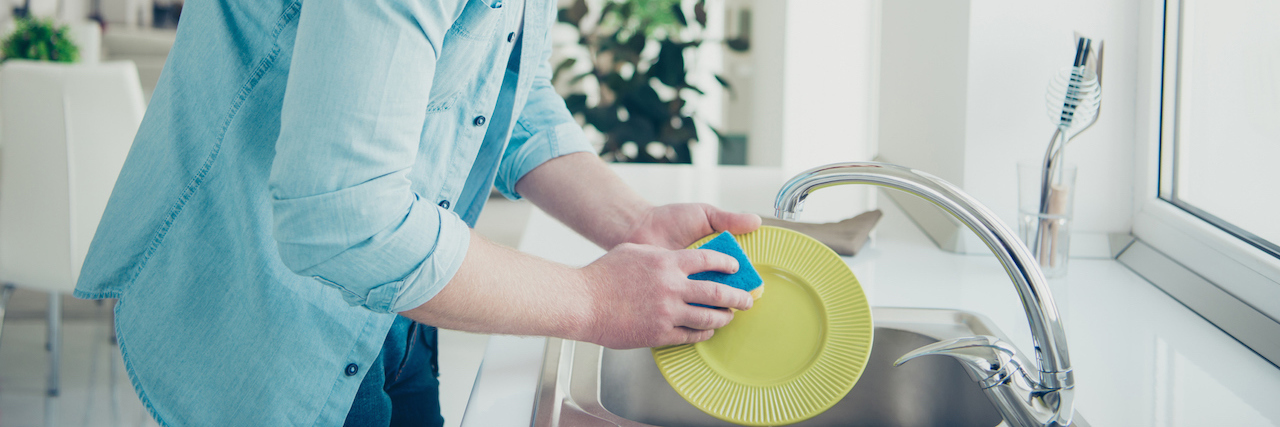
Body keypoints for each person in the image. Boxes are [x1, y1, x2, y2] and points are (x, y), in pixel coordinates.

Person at [73, 0, 759, 425]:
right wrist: (593, 299)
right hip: (259, 307)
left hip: (391, 304)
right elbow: (345, 218)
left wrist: (631, 222)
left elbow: (503, 78)